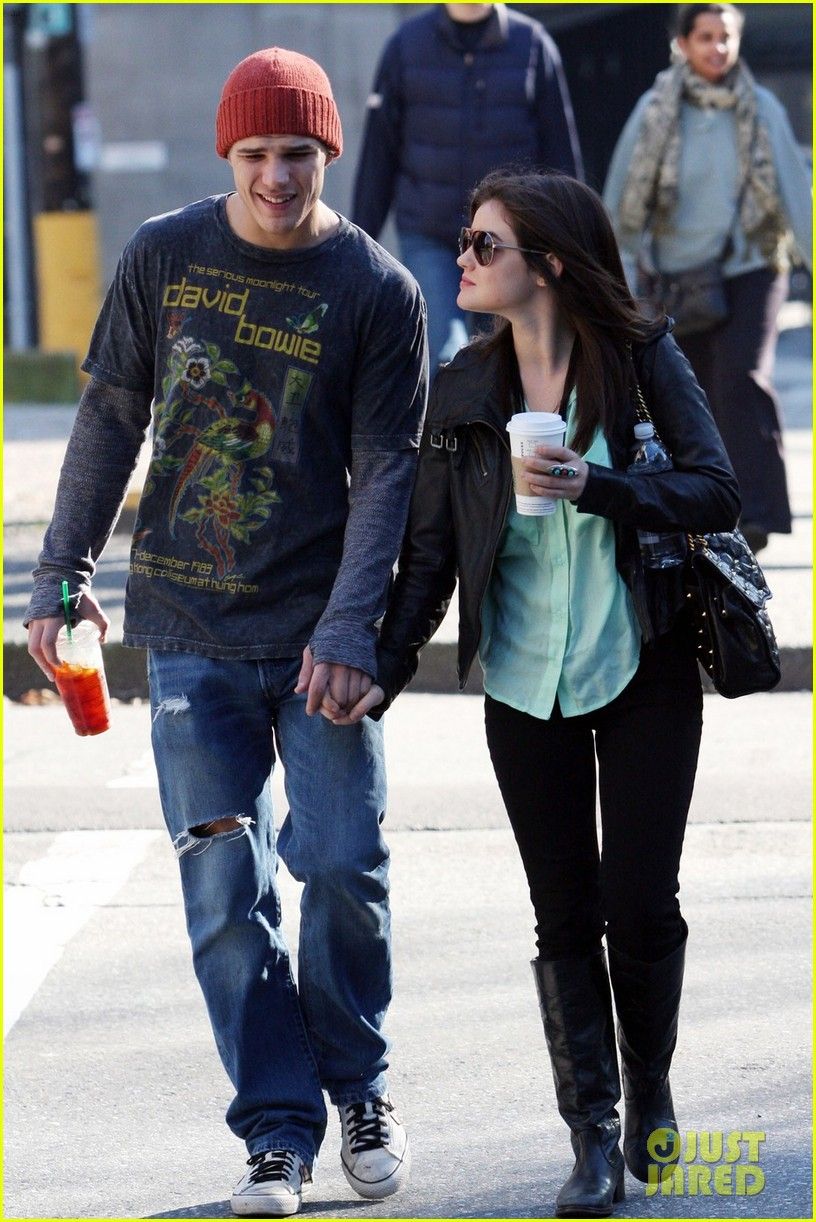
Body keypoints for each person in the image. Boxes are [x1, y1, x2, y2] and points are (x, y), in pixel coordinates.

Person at [25, 47, 427, 1218]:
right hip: (189, 626)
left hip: (318, 638)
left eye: (296, 153)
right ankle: (277, 1130)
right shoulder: (164, 255)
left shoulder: (377, 290)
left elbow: (387, 475)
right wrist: (60, 572)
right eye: (254, 154)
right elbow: (110, 416)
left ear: (327, 151)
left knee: (343, 864)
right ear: (228, 155)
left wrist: (350, 626)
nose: (275, 177)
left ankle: (360, 1087)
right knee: (223, 892)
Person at [326, 171, 740, 1216]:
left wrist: (600, 487)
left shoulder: (639, 359)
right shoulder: (464, 388)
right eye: (465, 241)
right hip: (520, 683)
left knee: (641, 905)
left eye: (484, 244)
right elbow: (427, 556)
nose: (462, 258)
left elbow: (716, 488)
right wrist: (381, 668)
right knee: (563, 914)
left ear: (548, 263)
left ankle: (650, 1085)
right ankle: (591, 1134)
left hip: (642, 666)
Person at [603, 2, 811, 553]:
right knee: (688, 395)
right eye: (705, 36)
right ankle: (705, 507)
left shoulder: (762, 106)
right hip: (677, 275)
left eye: (726, 37)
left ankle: (758, 516)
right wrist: (617, 278)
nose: (717, 47)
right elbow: (622, 199)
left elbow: (795, 191)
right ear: (682, 43)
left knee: (742, 377)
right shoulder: (654, 109)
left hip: (751, 262)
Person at [352, 2, 583, 372]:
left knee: (514, 356)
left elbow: (560, 155)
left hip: (509, 239)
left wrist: (573, 246)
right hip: (430, 234)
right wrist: (359, 250)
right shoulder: (406, 45)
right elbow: (379, 155)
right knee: (448, 355)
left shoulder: (533, 44)